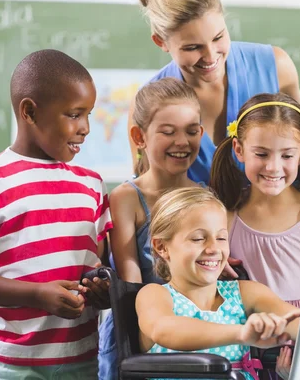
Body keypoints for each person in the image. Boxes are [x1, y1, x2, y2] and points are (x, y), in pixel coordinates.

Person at [136, 187, 300, 379]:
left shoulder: (245, 293)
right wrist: (240, 334)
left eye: (221, 238)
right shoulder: (155, 296)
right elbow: (165, 330)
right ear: (162, 247)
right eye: (198, 239)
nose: (214, 249)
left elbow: (299, 322)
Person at [0, 49, 111, 378]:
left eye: (88, 114)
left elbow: (96, 265)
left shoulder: (91, 186)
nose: (85, 128)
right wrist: (36, 294)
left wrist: (102, 291)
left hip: (83, 361)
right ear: (29, 111)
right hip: (9, 366)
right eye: (74, 114)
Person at [128, 0, 300, 184]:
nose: (210, 56)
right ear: (161, 41)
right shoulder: (147, 104)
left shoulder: (275, 67)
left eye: (218, 37)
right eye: (192, 47)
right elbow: (145, 188)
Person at [98, 77, 203, 379]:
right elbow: (131, 286)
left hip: (196, 335)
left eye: (191, 131)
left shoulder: (207, 197)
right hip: (137, 337)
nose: (182, 142)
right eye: (168, 132)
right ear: (139, 137)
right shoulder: (126, 199)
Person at [210, 92, 300, 308]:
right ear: (239, 150)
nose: (273, 167)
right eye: (261, 154)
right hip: (242, 335)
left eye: (287, 156)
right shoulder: (223, 216)